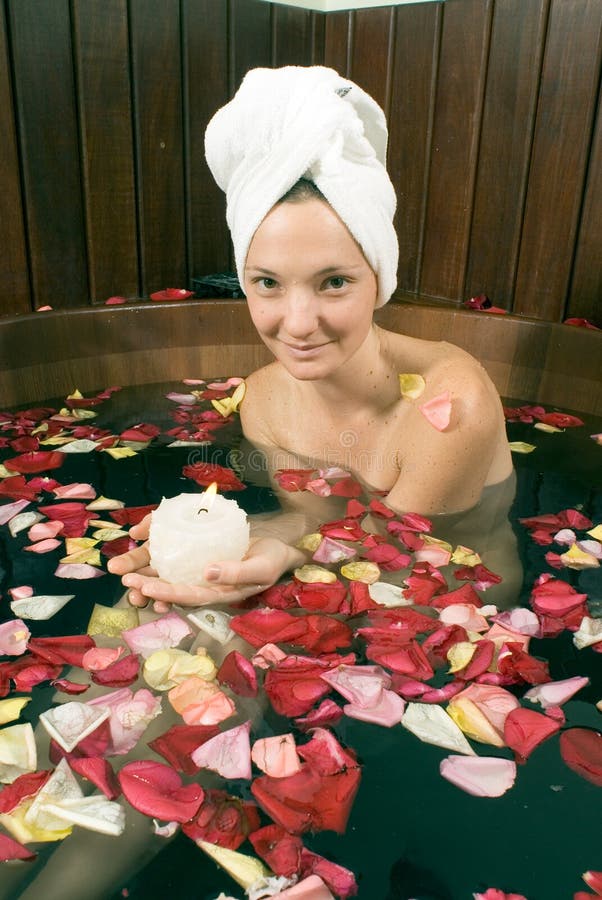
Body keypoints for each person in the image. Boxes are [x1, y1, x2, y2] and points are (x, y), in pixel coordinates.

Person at [108, 65, 514, 612]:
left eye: (335, 282)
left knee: (212, 629)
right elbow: (319, 523)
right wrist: (228, 541)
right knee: (165, 612)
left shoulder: (447, 406)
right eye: (268, 283)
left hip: (449, 598)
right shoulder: (265, 400)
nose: (298, 323)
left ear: (379, 280)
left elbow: (391, 550)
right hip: (340, 569)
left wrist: (272, 555)